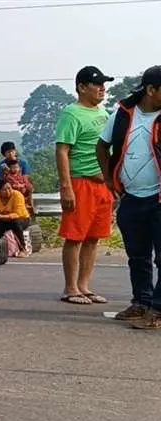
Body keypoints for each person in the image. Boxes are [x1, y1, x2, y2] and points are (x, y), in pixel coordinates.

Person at [96, 65, 161, 329]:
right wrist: (108, 178)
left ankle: (157, 310)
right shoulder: (123, 113)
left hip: (159, 197)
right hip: (131, 197)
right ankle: (141, 302)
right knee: (138, 255)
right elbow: (102, 145)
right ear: (151, 90)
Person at [55, 66, 114, 305]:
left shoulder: (104, 113)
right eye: (97, 84)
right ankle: (70, 288)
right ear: (81, 87)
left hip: (102, 185)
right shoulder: (71, 113)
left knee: (93, 238)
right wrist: (66, 186)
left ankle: (84, 286)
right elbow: (62, 150)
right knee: (75, 237)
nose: (102, 88)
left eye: (103, 84)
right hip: (81, 183)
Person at [0, 179, 30, 254]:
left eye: (9, 188)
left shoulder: (17, 195)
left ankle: (23, 249)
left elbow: (17, 214)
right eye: (4, 190)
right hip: (3, 220)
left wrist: (2, 216)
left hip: (21, 218)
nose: (8, 191)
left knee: (16, 224)